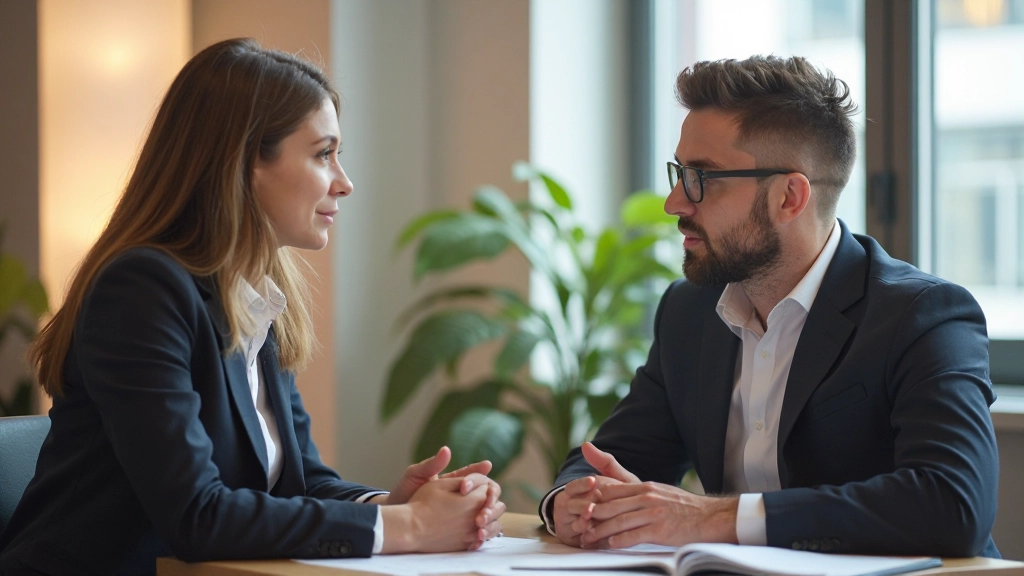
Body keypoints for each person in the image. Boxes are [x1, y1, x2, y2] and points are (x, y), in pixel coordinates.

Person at [0, 38, 504, 576]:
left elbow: (299, 482)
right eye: (323, 154)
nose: (344, 182)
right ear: (244, 164)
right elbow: (196, 516)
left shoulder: (256, 298)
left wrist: (390, 506)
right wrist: (411, 528)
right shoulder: (141, 290)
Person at [541, 55, 999, 558]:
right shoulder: (689, 312)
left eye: (702, 177)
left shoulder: (923, 316)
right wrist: (570, 502)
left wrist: (710, 518)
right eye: (680, 172)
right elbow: (614, 457)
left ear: (789, 197)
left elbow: (953, 503)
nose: (675, 203)